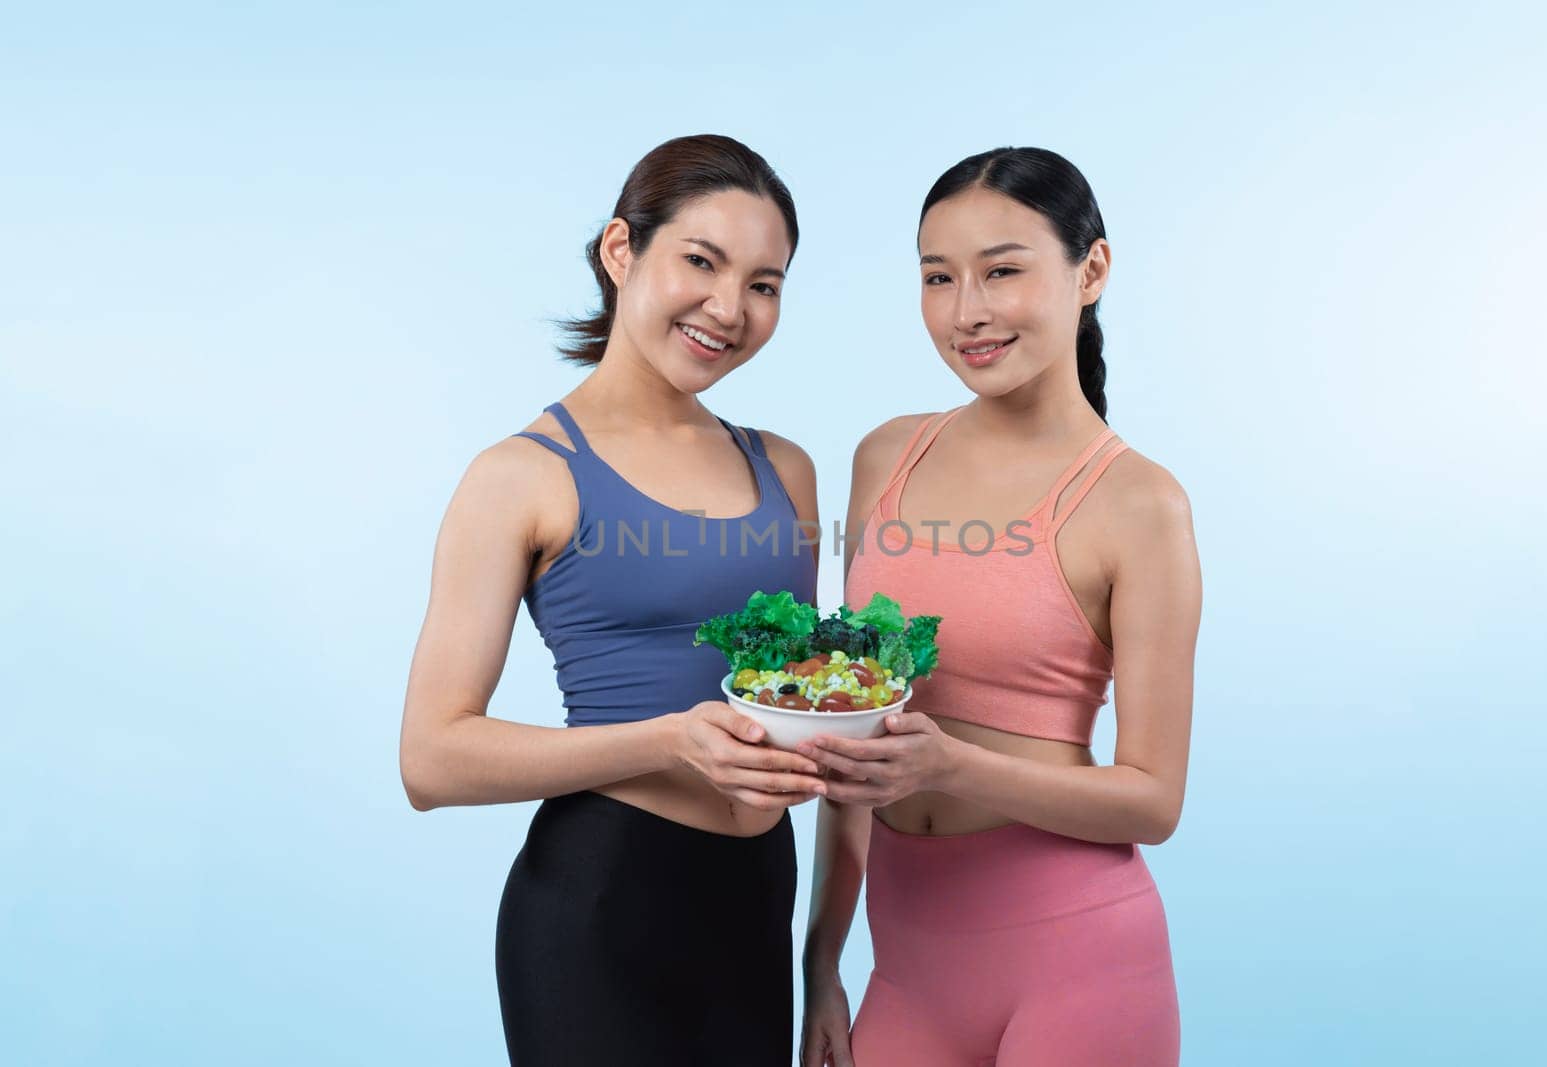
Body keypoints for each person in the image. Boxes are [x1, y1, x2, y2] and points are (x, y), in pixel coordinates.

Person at [399, 134, 826, 1066]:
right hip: (601, 904)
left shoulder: (786, 469)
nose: (730, 307)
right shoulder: (521, 476)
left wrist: (824, 961)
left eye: (765, 282)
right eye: (701, 262)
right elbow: (430, 758)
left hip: (759, 901)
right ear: (621, 250)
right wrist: (670, 737)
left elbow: (817, 713)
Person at [800, 147, 1200, 1066]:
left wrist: (949, 765)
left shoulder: (1139, 504)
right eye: (938, 278)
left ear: (1090, 270)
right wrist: (822, 959)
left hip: (1079, 962)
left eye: (1002, 271)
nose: (966, 310)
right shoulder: (885, 457)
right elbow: (861, 733)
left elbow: (1153, 799)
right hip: (905, 971)